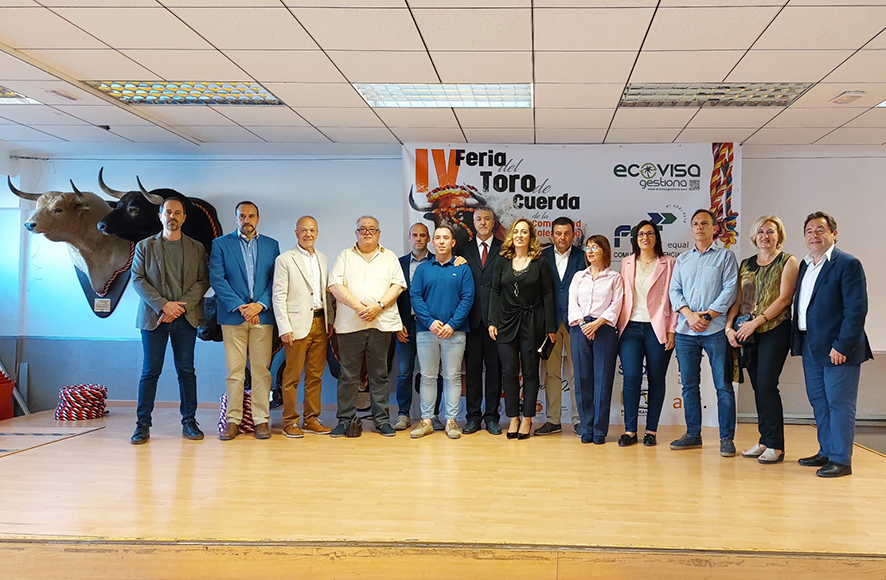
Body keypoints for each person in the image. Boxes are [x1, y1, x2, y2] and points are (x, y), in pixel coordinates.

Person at [791, 211, 872, 478]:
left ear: (834, 234)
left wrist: (842, 346)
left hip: (838, 349)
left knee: (839, 403)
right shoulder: (805, 265)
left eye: (820, 230)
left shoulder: (847, 264)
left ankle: (841, 459)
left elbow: (856, 310)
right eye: (809, 231)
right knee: (819, 401)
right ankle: (826, 451)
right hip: (811, 346)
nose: (814, 235)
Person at [130, 197, 209, 445]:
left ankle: (190, 422)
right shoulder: (144, 246)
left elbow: (202, 281)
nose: (172, 216)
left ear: (184, 218)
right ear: (160, 216)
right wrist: (164, 305)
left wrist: (178, 308)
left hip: (185, 319)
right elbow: (137, 279)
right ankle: (142, 425)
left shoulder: (197, 248)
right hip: (154, 319)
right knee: (150, 371)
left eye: (177, 212)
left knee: (186, 371)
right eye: (168, 212)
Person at [725, 216, 798, 464]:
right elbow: (740, 300)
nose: (765, 236)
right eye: (761, 232)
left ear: (779, 236)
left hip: (774, 329)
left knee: (767, 384)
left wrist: (755, 322)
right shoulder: (746, 264)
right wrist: (729, 327)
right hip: (748, 332)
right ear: (754, 236)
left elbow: (785, 299)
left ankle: (776, 444)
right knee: (758, 387)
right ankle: (765, 440)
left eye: (771, 231)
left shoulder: (787, 261)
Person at [669, 209, 739, 457]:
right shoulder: (682, 259)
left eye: (705, 223)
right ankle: (693, 435)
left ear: (714, 228)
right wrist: (690, 316)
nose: (699, 227)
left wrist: (707, 316)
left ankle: (726, 438)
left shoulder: (725, 256)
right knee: (689, 386)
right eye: (696, 223)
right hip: (686, 331)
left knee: (723, 385)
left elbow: (730, 289)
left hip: (715, 330)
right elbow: (674, 291)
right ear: (691, 229)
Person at [328, 216, 406, 438]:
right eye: (362, 229)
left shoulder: (389, 257)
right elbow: (334, 285)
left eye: (372, 229)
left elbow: (398, 286)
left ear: (379, 233)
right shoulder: (345, 256)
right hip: (350, 325)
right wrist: (358, 307)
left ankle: (382, 420)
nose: (367, 232)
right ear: (356, 233)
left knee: (379, 374)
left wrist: (378, 306)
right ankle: (345, 420)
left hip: (381, 324)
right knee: (348, 375)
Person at [209, 201, 280, 441]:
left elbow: (275, 280)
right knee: (235, 371)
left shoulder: (271, 245)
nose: (246, 220)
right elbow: (217, 279)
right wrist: (241, 307)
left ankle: (261, 420)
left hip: (262, 315)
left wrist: (260, 304)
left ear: (258, 218)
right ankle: (233, 420)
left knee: (261, 371)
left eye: (251, 216)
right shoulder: (221, 244)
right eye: (242, 216)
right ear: (236, 218)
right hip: (233, 316)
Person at [489, 218, 556, 440]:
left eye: (524, 232)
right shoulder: (502, 261)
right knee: (509, 371)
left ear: (531, 236)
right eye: (516, 231)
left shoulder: (540, 262)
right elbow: (495, 291)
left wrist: (549, 326)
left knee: (529, 371)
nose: (519, 235)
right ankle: (513, 418)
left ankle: (527, 418)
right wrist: (492, 321)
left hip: (532, 322)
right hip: (506, 322)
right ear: (511, 236)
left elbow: (548, 294)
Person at [408, 225, 474, 440]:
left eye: (446, 238)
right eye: (438, 238)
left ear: (453, 243)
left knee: (452, 377)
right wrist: (430, 322)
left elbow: (467, 298)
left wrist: (452, 324)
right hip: (426, 331)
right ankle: (427, 420)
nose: (442, 241)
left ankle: (451, 421)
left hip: (455, 332)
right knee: (427, 376)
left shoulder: (463, 268)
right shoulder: (423, 269)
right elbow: (415, 297)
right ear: (432, 242)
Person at [272, 216, 333, 438]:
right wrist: (284, 327)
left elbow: (325, 292)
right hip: (296, 325)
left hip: (320, 322)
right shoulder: (285, 259)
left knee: (315, 375)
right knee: (292, 376)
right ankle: (289, 421)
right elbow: (278, 296)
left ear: (317, 233)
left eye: (312, 230)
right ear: (296, 233)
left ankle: (311, 419)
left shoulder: (323, 258)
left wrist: (329, 320)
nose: (308, 234)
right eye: (304, 230)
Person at [617, 221, 677, 448]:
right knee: (631, 377)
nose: (645, 237)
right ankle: (630, 430)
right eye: (641, 234)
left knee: (656, 379)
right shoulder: (626, 262)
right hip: (630, 327)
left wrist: (671, 330)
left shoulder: (669, 262)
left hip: (657, 327)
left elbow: (674, 298)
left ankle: (651, 430)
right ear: (635, 238)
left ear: (656, 238)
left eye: (650, 233)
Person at [569, 235, 623, 445]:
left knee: (603, 380)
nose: (590, 251)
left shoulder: (614, 277)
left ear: (604, 251)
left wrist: (597, 323)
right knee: (582, 380)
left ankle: (600, 430)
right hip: (580, 329)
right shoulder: (579, 276)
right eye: (588, 248)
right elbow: (572, 303)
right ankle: (587, 428)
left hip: (604, 330)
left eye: (595, 247)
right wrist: (584, 324)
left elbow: (616, 304)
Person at [457, 207, 504, 435]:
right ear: (473, 223)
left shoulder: (504, 249)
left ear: (493, 223)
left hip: (497, 321)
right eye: (479, 219)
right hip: (471, 320)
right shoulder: (462, 249)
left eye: (487, 219)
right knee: (473, 372)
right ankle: (473, 417)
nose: (483, 223)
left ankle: (492, 416)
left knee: (495, 371)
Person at [536, 217, 584, 437]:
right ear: (551, 235)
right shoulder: (541, 257)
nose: (562, 237)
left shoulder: (583, 257)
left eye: (566, 233)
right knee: (551, 373)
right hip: (550, 324)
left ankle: (579, 420)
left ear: (573, 235)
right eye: (558, 233)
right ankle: (553, 420)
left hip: (576, 322)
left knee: (577, 372)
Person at [394, 223, 443, 432]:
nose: (419, 239)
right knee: (404, 372)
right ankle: (403, 414)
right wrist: (397, 324)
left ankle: (433, 415)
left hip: (430, 326)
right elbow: (393, 297)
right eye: (415, 235)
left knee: (432, 373)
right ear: (409, 237)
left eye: (423, 235)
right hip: (405, 326)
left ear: (429, 238)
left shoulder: (437, 261)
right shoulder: (398, 264)